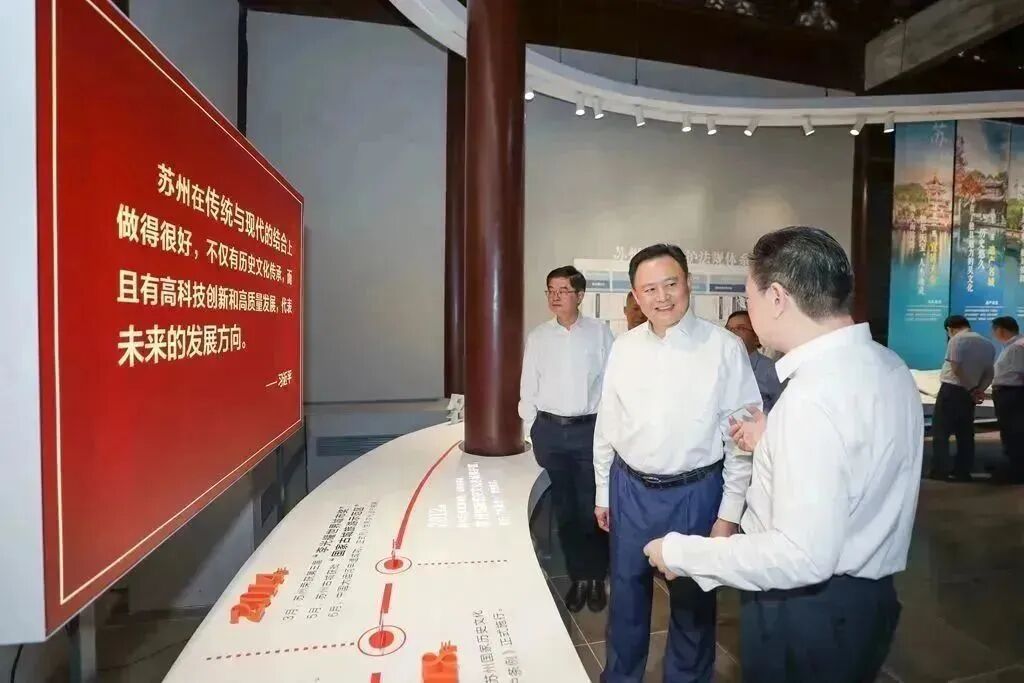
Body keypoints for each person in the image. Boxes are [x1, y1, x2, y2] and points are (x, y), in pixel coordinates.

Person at [643, 226, 922, 683]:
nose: (749, 311)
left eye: (749, 297)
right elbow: (855, 460)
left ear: (776, 297)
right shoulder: (886, 365)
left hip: (806, 613)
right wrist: (774, 440)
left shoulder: (812, 398)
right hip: (864, 601)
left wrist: (682, 552)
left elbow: (800, 555)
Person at [593, 244, 760, 682]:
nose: (662, 297)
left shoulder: (724, 348)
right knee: (626, 599)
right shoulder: (624, 348)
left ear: (689, 283)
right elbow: (607, 425)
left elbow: (741, 441)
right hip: (629, 489)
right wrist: (602, 492)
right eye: (649, 289)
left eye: (671, 284)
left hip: (695, 493)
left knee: (692, 605)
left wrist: (728, 514)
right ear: (635, 295)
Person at [520, 265, 614, 613]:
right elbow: (528, 386)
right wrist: (532, 429)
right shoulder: (539, 337)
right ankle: (578, 578)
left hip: (588, 430)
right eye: (551, 290)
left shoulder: (600, 333)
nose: (555, 297)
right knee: (565, 510)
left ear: (580, 295)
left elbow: (611, 384)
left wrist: (607, 431)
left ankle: (596, 576)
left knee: (593, 507)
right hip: (550, 432)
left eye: (563, 290)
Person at [930, 315, 995, 482]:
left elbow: (956, 367)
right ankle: (963, 472)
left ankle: (940, 470)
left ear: (950, 329)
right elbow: (989, 373)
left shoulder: (956, 340)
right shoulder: (987, 344)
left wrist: (971, 388)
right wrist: (978, 390)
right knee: (965, 434)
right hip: (969, 395)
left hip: (951, 390)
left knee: (941, 432)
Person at [725, 310, 784, 413]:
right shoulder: (718, 366)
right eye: (729, 329)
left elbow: (784, 410)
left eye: (740, 328)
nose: (732, 333)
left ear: (756, 337)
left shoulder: (771, 370)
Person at [990, 316, 1024, 483]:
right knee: (1010, 432)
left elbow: (1020, 371)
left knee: (1013, 433)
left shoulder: (1017, 347)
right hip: (1009, 393)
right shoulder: (1012, 346)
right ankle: (1012, 467)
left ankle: (1016, 471)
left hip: (1012, 394)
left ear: (1001, 330)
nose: (993, 334)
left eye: (994, 330)